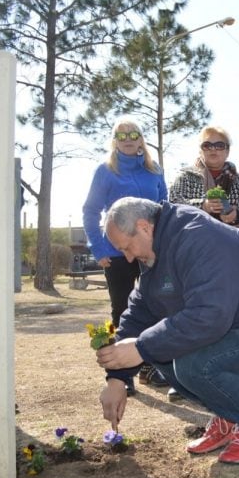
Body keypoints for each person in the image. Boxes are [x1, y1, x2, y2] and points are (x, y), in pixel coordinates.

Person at [96, 197, 239, 464]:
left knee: (191, 364)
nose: (128, 257)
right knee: (161, 354)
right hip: (236, 329)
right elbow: (141, 310)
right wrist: (116, 378)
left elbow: (210, 316)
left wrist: (141, 347)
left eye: (127, 247)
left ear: (144, 227)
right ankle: (229, 415)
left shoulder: (200, 237)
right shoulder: (155, 248)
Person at [83, 117, 168, 395]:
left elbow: (165, 207)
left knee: (156, 307)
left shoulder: (154, 170)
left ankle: (150, 367)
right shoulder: (105, 171)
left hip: (150, 250)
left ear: (141, 138)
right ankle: (121, 373)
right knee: (122, 310)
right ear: (115, 140)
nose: (128, 138)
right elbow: (90, 210)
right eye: (122, 135)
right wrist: (100, 248)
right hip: (118, 253)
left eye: (134, 133)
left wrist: (164, 245)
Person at [169, 125, 239, 228]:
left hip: (227, 240)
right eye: (207, 145)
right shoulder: (185, 177)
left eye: (219, 145)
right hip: (192, 240)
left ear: (227, 151)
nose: (213, 149)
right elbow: (173, 205)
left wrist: (236, 216)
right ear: (200, 151)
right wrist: (202, 205)